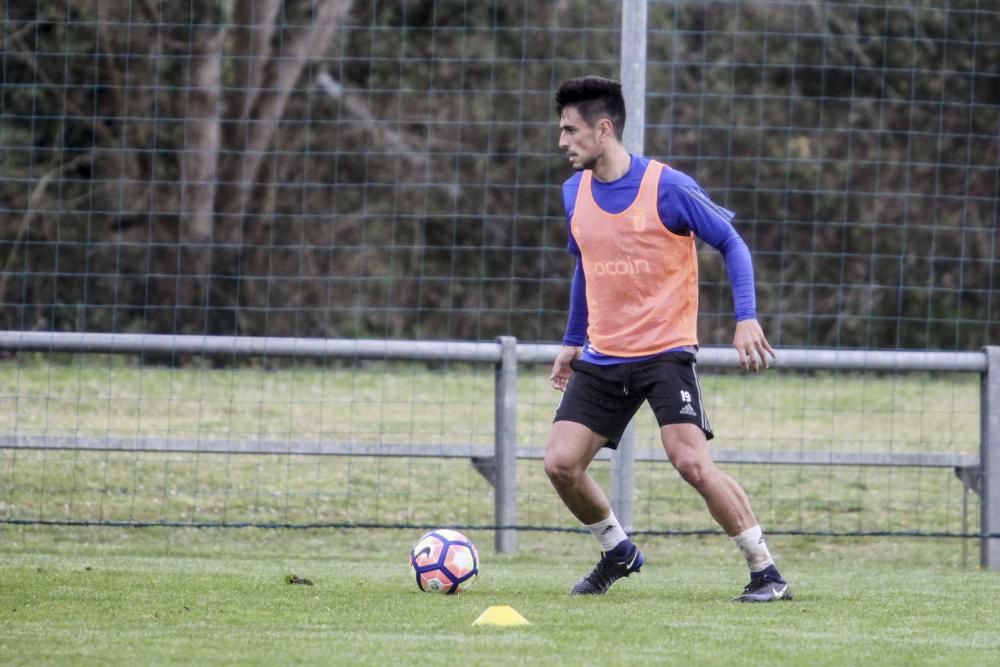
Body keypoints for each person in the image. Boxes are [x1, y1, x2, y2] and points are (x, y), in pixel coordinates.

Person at [544, 75, 790, 602]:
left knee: (691, 463)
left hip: (665, 352)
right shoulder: (573, 193)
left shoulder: (668, 187)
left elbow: (731, 241)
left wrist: (746, 317)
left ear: (603, 129)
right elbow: (586, 268)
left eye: (570, 130)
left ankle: (765, 570)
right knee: (560, 464)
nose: (562, 141)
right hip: (604, 354)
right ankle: (617, 550)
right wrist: (572, 339)